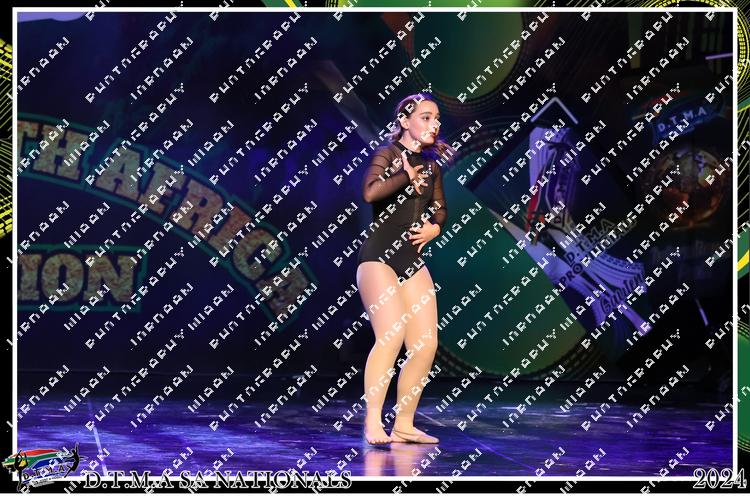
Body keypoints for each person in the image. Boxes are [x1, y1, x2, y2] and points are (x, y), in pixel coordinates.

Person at [356, 93, 451, 445]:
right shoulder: (387, 155)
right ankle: (372, 422)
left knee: (425, 344)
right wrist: (404, 176)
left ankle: (404, 424)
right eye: (425, 117)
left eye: (436, 118)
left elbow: (440, 208)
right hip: (377, 258)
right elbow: (370, 193)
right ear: (405, 121)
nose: (433, 124)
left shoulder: (431, 166)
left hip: (410, 259)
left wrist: (435, 228)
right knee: (391, 335)